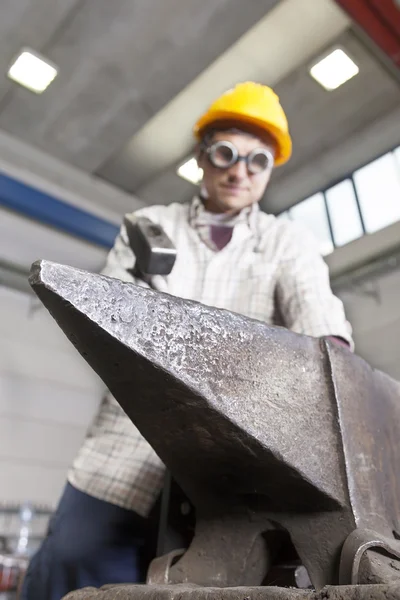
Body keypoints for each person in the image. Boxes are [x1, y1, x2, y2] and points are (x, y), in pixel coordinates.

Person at [21, 81, 353, 600]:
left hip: (231, 458)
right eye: (226, 152)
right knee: (74, 558)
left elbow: (321, 324)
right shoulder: (150, 225)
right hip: (126, 447)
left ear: (270, 170)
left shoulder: (286, 243)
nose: (239, 170)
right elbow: (108, 322)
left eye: (257, 160)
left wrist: (335, 358)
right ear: (202, 156)